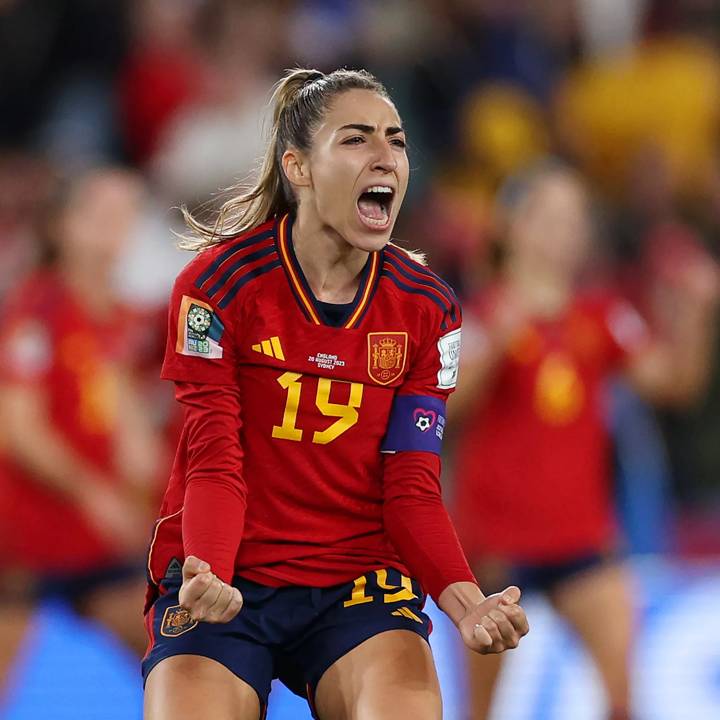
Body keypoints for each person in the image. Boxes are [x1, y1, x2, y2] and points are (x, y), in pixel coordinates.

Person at [142, 67, 529, 720]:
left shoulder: (428, 307)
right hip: (227, 578)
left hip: (359, 583)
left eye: (397, 140)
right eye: (356, 139)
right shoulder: (219, 285)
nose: (385, 156)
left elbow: (410, 482)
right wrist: (207, 571)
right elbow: (214, 458)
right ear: (298, 167)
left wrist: (466, 602)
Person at [449, 163, 719, 720]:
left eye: (574, 218)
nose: (564, 231)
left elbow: (674, 385)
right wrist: (498, 340)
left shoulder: (600, 315)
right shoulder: (476, 314)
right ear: (511, 227)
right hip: (496, 546)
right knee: (482, 708)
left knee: (623, 695)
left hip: (582, 540)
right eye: (550, 216)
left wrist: (695, 311)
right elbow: (443, 412)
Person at [0, 168, 163, 696]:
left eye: (127, 212)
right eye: (100, 213)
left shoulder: (125, 318)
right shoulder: (38, 310)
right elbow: (16, 426)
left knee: (171, 659)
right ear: (61, 227)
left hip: (95, 541)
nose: (117, 226)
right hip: (27, 535)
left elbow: (126, 423)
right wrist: (94, 491)